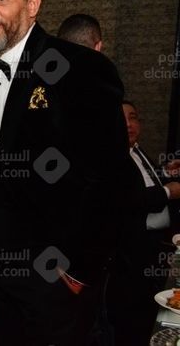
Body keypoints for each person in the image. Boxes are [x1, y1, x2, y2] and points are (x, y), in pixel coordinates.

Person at [0, 0, 129, 346]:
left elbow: (110, 179)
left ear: (33, 4)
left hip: (54, 273)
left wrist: (79, 270)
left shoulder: (81, 67)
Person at [106, 101, 180, 345]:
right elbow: (129, 197)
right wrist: (169, 191)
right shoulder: (111, 156)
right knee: (130, 313)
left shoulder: (136, 150)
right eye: (122, 119)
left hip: (152, 244)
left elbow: (145, 180)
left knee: (151, 305)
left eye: (133, 117)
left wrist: (165, 173)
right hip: (130, 250)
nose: (129, 124)